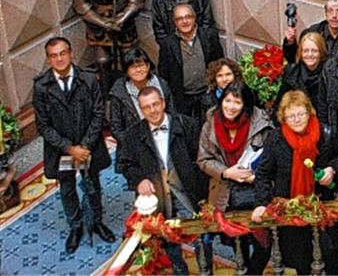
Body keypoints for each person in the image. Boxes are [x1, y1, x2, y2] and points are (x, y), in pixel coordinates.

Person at [33, 37, 116, 254]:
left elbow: (98, 113)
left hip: (88, 145)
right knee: (67, 189)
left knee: (93, 185)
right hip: (61, 150)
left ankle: (97, 221)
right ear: (48, 59)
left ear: (70, 53)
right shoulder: (41, 86)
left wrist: (85, 145)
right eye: (54, 55)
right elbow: (43, 125)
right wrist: (70, 148)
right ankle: (76, 227)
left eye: (63, 53)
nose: (59, 58)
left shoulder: (88, 79)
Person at [118, 87, 210, 274]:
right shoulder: (133, 135)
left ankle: (206, 269)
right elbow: (125, 164)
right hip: (158, 200)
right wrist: (139, 180)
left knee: (201, 236)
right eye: (146, 107)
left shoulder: (187, 125)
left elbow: (202, 159)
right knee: (167, 240)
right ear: (141, 110)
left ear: (164, 103)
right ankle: (179, 269)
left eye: (155, 104)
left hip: (188, 193)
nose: (152, 110)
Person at [251, 91, 338, 275]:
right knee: (299, 257)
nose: (297, 119)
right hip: (290, 205)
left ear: (309, 112)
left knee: (330, 252)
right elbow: (263, 174)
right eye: (291, 116)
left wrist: (332, 169)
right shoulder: (276, 139)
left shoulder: (325, 133)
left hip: (322, 203)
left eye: (301, 114)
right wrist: (261, 202)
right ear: (283, 117)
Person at [197, 81, 274, 274]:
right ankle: (244, 265)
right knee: (235, 239)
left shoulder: (261, 125)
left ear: (245, 105)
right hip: (225, 192)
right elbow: (203, 159)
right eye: (227, 101)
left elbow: (273, 159)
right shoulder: (210, 125)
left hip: (255, 191)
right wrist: (225, 172)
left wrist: (256, 176)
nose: (231, 107)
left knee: (263, 242)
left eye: (237, 102)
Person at [108, 48, 175, 171]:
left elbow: (172, 113)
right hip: (136, 146)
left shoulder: (161, 85)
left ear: (148, 65)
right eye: (133, 67)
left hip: (164, 139)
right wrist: (134, 145)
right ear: (126, 70)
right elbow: (116, 127)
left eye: (141, 65)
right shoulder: (119, 92)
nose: (138, 70)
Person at [158, 3, 225, 119]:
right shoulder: (167, 44)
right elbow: (164, 74)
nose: (185, 21)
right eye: (180, 18)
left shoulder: (209, 35)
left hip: (208, 94)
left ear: (194, 18)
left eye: (188, 17)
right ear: (174, 22)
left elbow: (220, 63)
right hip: (183, 100)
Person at [282, 0, 338, 64]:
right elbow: (295, 59)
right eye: (330, 11)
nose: (334, 15)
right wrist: (290, 42)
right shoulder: (312, 32)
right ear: (326, 13)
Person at [275, 32, 328, 116]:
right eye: (306, 51)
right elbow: (279, 105)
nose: (310, 55)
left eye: (314, 51)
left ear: (321, 53)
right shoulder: (292, 72)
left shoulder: (328, 75)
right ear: (301, 52)